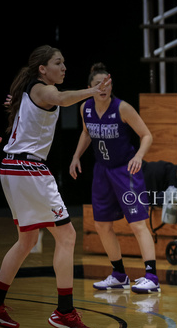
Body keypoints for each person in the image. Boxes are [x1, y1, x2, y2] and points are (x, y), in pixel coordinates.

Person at [0, 45, 111, 328]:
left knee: (26, 240)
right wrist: (92, 90)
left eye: (64, 63)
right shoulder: (43, 90)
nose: (64, 68)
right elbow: (61, 98)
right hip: (28, 169)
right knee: (67, 235)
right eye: (58, 63)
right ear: (42, 69)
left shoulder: (28, 91)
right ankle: (64, 311)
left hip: (12, 168)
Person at [69, 63, 160, 294]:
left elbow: (147, 135)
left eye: (107, 83)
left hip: (125, 170)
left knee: (138, 223)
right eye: (98, 84)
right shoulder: (85, 109)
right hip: (102, 171)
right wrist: (76, 156)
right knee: (101, 224)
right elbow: (86, 133)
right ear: (89, 87)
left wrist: (139, 156)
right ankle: (119, 274)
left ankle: (152, 276)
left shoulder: (122, 108)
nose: (103, 87)